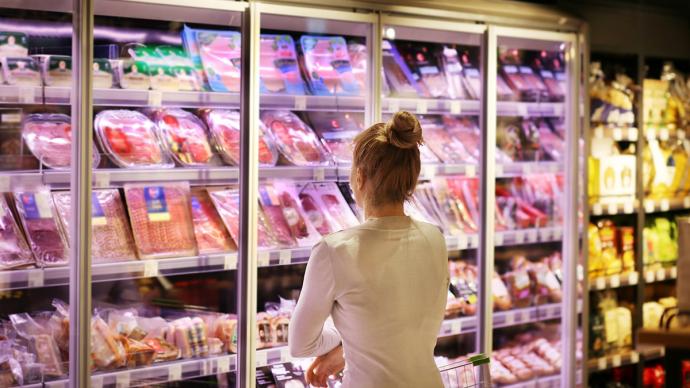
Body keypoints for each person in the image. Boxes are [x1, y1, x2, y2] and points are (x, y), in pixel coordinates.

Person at [288, 111, 450, 387]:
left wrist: (346, 338)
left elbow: (301, 345)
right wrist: (353, 346)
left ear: (360, 177)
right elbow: (399, 327)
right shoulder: (435, 239)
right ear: (410, 180)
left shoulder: (335, 251)